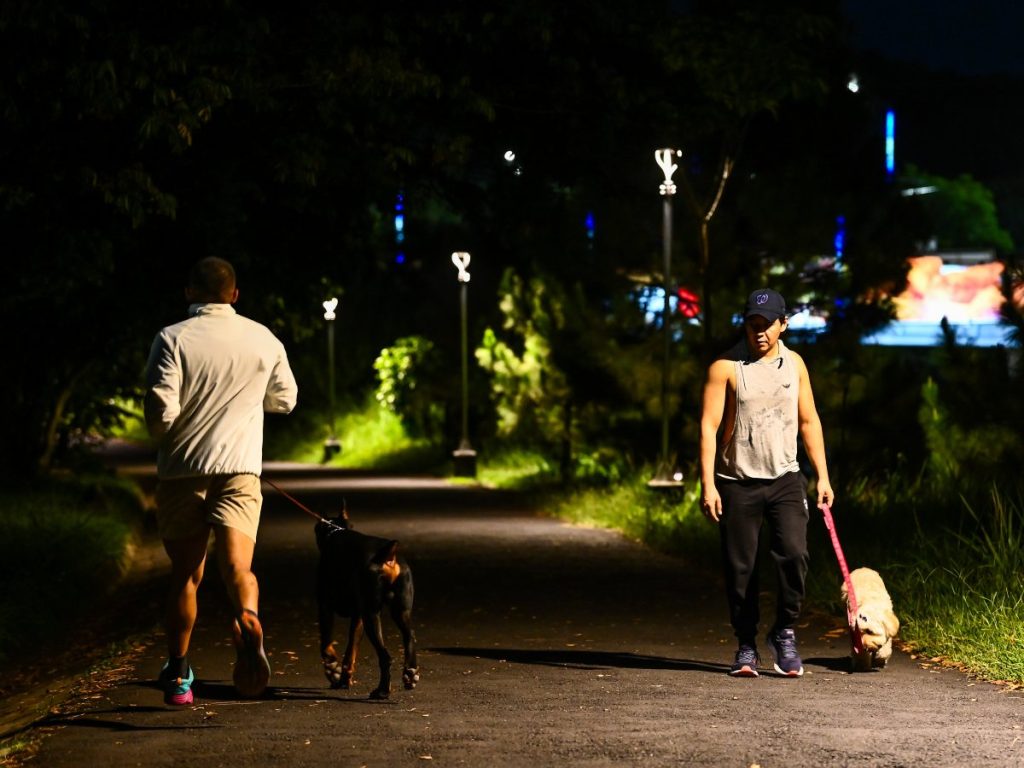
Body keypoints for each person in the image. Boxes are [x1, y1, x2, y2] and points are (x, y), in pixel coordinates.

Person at [144, 257, 298, 704]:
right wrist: (246, 403)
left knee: (187, 575)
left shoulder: (171, 338)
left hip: (182, 470)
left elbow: (161, 411)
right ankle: (248, 617)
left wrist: (166, 436)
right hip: (239, 470)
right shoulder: (262, 337)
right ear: (234, 294)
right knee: (239, 570)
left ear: (189, 291)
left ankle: (178, 676)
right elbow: (285, 400)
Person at [698, 288, 834, 678]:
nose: (759, 332)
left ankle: (785, 632)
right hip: (737, 481)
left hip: (786, 478)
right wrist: (708, 484)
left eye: (767, 325)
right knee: (741, 568)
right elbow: (708, 428)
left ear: (783, 325)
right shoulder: (725, 367)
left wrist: (822, 474)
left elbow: (809, 421)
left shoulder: (795, 365)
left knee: (794, 555)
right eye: (752, 324)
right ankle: (745, 645)